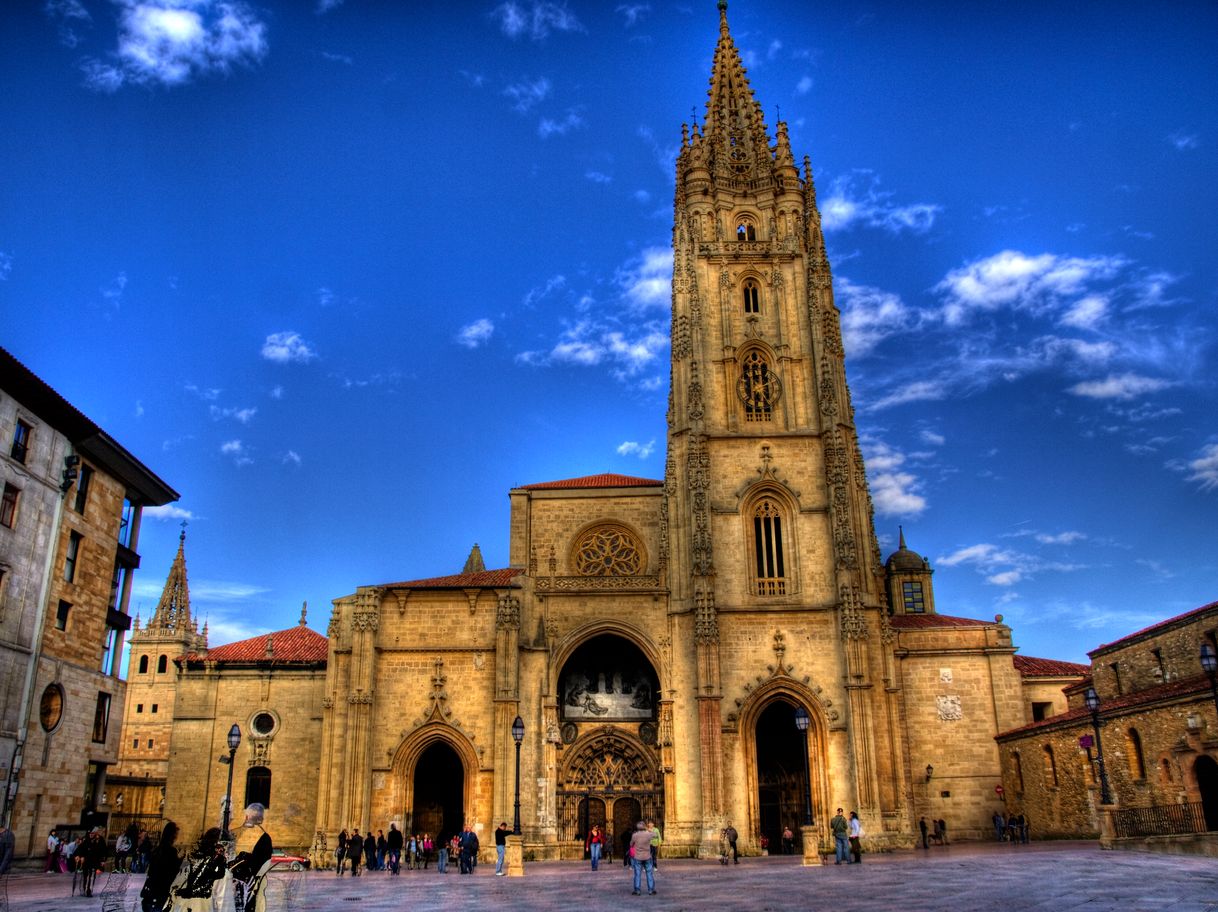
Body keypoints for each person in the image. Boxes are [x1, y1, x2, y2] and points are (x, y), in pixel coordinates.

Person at [230, 803, 273, 912]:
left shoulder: (233, 833)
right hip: (252, 883)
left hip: (231, 881)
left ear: (246, 817)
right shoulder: (264, 837)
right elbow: (264, 865)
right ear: (261, 818)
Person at [173, 828, 227, 904]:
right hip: (201, 896)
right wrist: (211, 874)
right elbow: (220, 874)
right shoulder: (216, 856)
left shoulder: (195, 852)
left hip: (187, 894)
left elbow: (189, 871)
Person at [140, 822, 179, 911]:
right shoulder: (170, 851)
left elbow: (151, 870)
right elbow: (172, 872)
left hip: (152, 890)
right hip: (161, 891)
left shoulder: (158, 849)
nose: (177, 837)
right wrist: (179, 860)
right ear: (172, 835)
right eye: (176, 834)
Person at [628, 820, 655, 896]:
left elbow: (631, 844)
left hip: (638, 857)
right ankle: (651, 890)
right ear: (644, 827)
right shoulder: (648, 834)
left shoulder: (635, 835)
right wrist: (648, 829)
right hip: (647, 856)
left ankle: (637, 890)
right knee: (649, 873)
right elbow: (655, 834)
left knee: (637, 874)